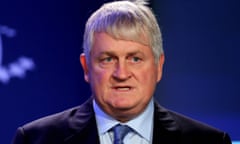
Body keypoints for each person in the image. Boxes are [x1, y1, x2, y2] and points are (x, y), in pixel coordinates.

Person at [12, 0, 232, 144]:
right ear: (86, 67)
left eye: (135, 59)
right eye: (108, 59)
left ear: (158, 66)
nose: (121, 73)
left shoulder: (209, 142)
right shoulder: (36, 139)